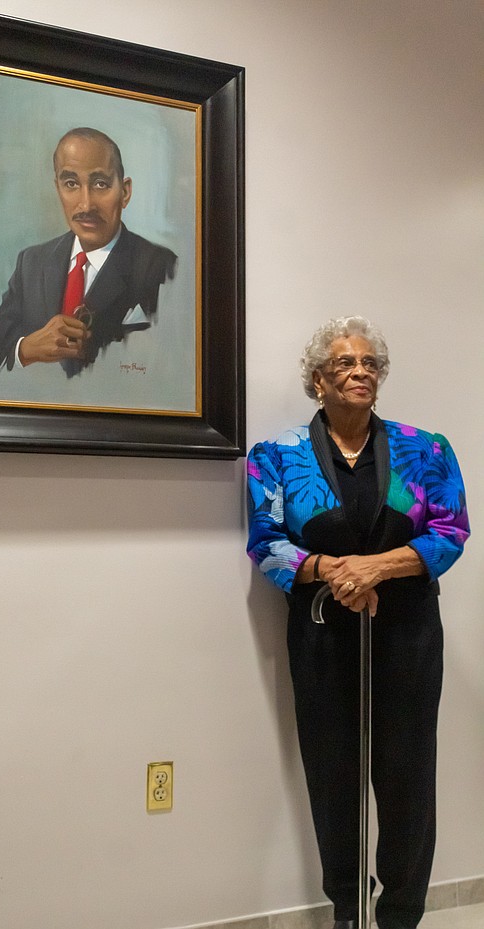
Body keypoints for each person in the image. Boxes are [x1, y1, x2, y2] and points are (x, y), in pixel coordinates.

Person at [246, 317, 470, 929]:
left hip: (409, 636)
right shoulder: (276, 455)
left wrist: (374, 569)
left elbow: (451, 533)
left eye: (370, 363)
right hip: (322, 634)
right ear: (318, 379)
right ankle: (348, 907)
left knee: (407, 777)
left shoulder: (427, 449)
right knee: (333, 773)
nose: (360, 371)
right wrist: (331, 571)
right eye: (345, 363)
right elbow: (266, 543)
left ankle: (401, 914)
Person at [0, 127, 177, 379]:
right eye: (71, 183)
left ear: (125, 191)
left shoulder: (163, 268)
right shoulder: (30, 262)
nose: (86, 204)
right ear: (58, 188)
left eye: (100, 183)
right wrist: (27, 349)